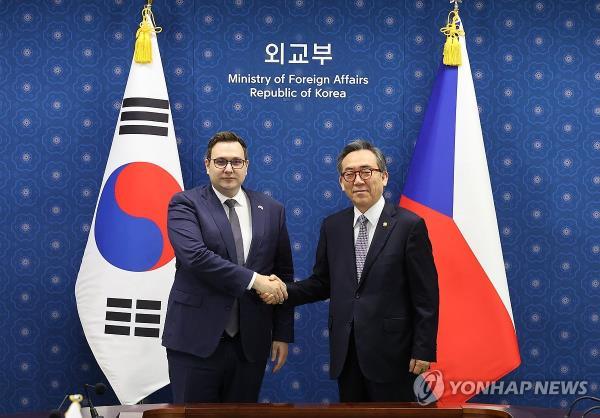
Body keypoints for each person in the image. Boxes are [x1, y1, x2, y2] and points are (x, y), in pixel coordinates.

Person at [261, 140, 439, 402]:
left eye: (366, 171)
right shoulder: (333, 226)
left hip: (395, 355)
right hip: (347, 354)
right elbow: (322, 283)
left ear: (384, 176)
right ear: (341, 182)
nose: (358, 180)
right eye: (349, 174)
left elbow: (426, 297)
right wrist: (283, 290)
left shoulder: (409, 226)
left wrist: (423, 350)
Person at [162, 131, 293, 403]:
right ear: (206, 164)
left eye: (236, 161)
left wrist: (281, 333)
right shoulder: (185, 203)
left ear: (247, 165)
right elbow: (196, 257)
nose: (229, 168)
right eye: (220, 161)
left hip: (250, 343)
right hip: (195, 341)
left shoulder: (272, 209)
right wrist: (255, 280)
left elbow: (283, 273)